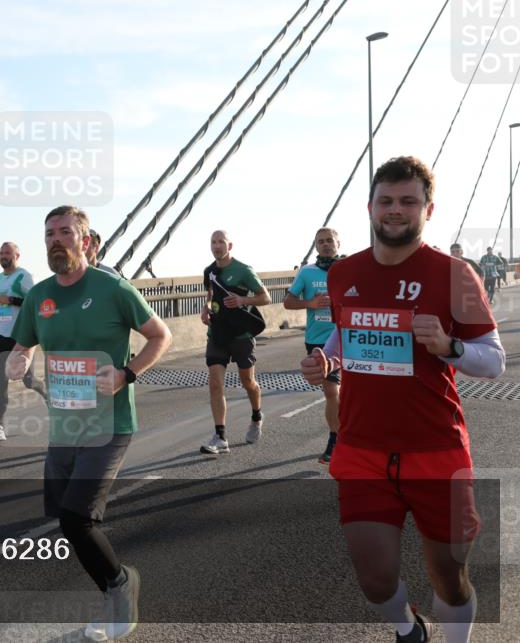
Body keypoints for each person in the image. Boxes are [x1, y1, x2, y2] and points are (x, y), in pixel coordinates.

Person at [301, 156, 504, 643]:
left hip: (436, 449)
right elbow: (346, 330)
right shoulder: (343, 273)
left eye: (407, 202)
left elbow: (494, 361)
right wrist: (325, 360)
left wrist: (450, 347)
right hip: (362, 447)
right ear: (370, 206)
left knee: (449, 583)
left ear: (427, 210)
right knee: (374, 580)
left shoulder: (454, 275)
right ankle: (409, 630)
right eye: (386, 201)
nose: (395, 210)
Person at [5, 206, 171, 640]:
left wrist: (126, 374)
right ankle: (117, 585)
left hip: (110, 423)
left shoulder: (113, 288)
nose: (55, 241)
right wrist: (20, 359)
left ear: (86, 241)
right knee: (65, 516)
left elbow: (161, 336)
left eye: (65, 232)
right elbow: (24, 346)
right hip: (64, 424)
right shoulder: (40, 296)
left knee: (77, 519)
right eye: (49, 235)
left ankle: (119, 591)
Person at [199, 230, 270, 454]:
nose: (217, 245)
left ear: (230, 246)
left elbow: (265, 297)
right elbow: (211, 294)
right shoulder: (209, 271)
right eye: (213, 242)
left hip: (240, 335)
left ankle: (257, 416)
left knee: (248, 381)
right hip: (217, 333)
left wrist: (242, 299)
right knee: (215, 383)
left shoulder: (243, 270)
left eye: (221, 242)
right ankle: (220, 436)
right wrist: (206, 309)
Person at [284, 227, 341, 464]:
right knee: (331, 391)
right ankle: (335, 439)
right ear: (316, 246)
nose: (326, 245)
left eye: (330, 241)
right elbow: (288, 302)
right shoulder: (307, 273)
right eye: (321, 242)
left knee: (351, 393)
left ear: (338, 243)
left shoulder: (348, 269)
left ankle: (350, 435)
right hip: (318, 340)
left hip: (347, 336)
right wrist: (312, 303)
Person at [0, 242, 46, 442]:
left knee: (28, 380)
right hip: (2, 335)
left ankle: (51, 399)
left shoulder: (23, 276)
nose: (3, 256)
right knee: (0, 382)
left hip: (21, 336)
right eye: (1, 252)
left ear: (17, 255)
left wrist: (13, 301)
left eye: (7, 252)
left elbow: (36, 302)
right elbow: (4, 302)